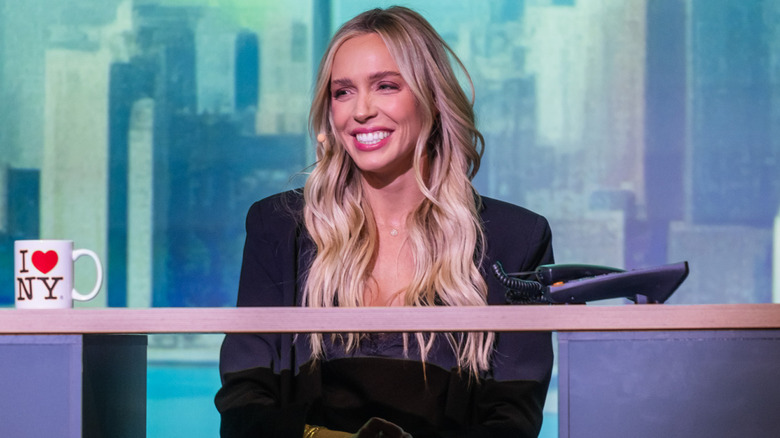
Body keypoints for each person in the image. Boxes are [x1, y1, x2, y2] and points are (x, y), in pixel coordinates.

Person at [215, 6, 554, 438]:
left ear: (433, 98)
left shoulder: (517, 238)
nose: (361, 111)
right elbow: (244, 404)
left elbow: (513, 420)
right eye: (342, 92)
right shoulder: (279, 227)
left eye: (386, 86)